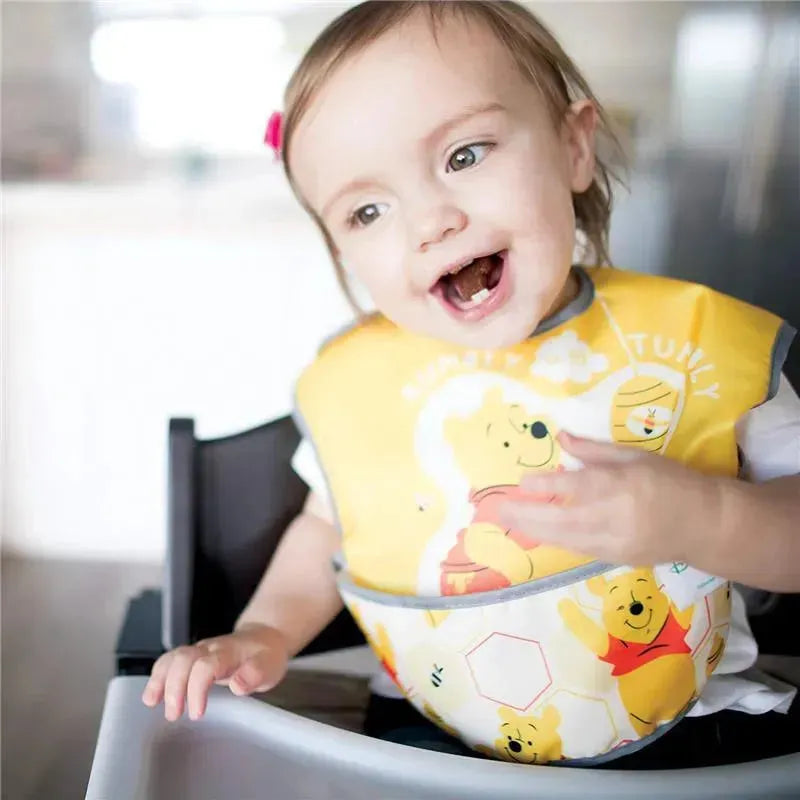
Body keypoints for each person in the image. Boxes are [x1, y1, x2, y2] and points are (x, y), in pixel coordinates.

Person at [142, 1, 800, 767]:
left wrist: (703, 517)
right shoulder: (361, 389)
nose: (431, 222)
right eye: (367, 210)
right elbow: (328, 531)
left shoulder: (696, 346)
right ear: (343, 251)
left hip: (695, 736)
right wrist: (264, 634)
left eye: (464, 156)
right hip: (431, 743)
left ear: (574, 147)